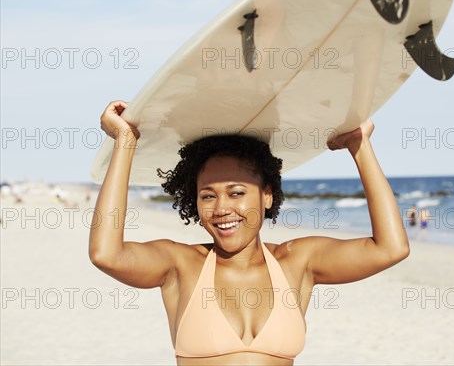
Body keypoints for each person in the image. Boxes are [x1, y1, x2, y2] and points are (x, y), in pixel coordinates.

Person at [89, 101, 410, 365]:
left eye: (237, 192)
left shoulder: (297, 262)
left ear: (267, 195)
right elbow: (107, 254)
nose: (221, 208)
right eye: (208, 195)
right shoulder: (181, 265)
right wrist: (125, 142)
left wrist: (360, 146)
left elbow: (390, 248)